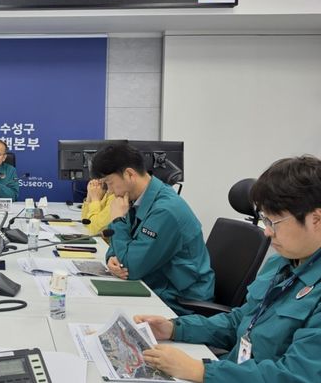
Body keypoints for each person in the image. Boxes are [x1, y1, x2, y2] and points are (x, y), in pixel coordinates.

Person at [136, 155, 321, 382]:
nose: (267, 232)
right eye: (265, 220)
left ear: (316, 219)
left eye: (274, 222)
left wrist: (201, 371)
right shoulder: (282, 263)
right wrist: (174, 329)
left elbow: (296, 376)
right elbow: (240, 321)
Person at [91, 143, 214, 315]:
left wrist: (117, 220)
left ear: (129, 174)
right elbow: (123, 249)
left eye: (109, 183)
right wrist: (111, 257)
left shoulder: (165, 211)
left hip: (178, 302)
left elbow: (131, 268)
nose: (110, 191)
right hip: (155, 286)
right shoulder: (135, 199)